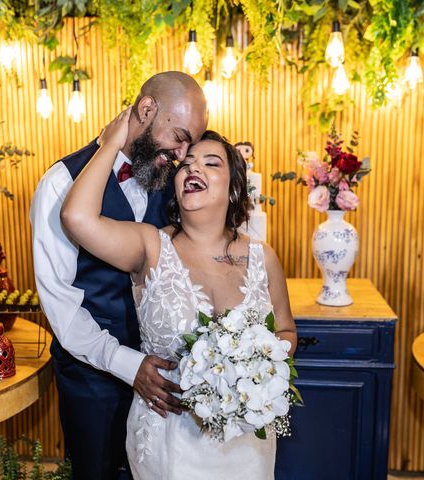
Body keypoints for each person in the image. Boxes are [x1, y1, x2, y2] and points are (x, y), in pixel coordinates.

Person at [60, 108, 297, 479]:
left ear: (235, 186)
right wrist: (111, 144)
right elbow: (77, 218)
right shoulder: (150, 246)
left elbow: (285, 332)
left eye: (211, 163)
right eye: (185, 164)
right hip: (169, 443)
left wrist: (255, 373)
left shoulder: (263, 258)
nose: (192, 169)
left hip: (247, 445)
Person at [30, 72, 208, 480]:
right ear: (146, 110)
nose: (182, 155)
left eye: (189, 146)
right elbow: (61, 307)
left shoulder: (169, 179)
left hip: (167, 378)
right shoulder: (60, 184)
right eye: (178, 137)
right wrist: (129, 364)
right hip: (93, 379)